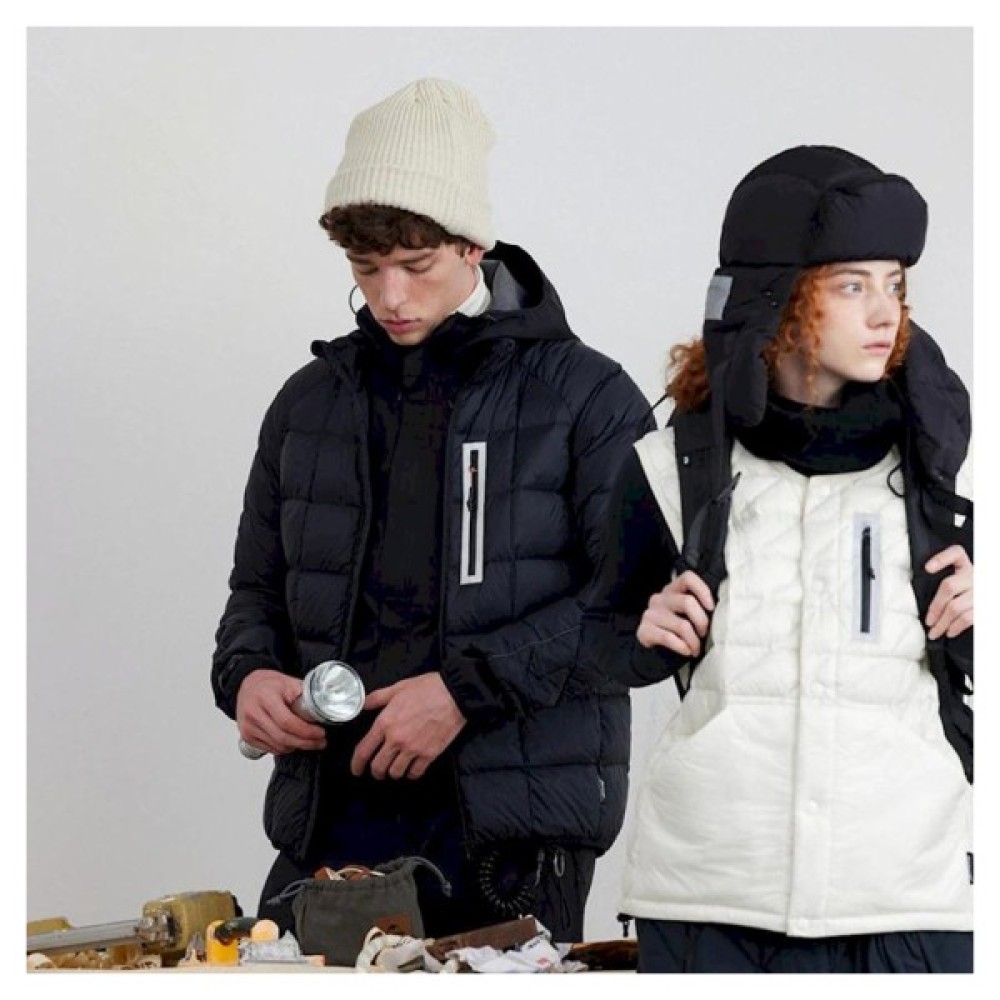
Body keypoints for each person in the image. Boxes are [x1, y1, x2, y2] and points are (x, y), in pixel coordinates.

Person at [210, 77, 654, 942]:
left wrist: (463, 692)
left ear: (473, 245)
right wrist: (248, 677)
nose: (391, 297)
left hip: (507, 839)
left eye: (416, 267)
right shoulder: (309, 403)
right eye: (365, 268)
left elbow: (638, 612)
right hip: (327, 827)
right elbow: (253, 591)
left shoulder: (587, 398)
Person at [583, 145, 972, 973]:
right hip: (710, 901)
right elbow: (598, 642)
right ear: (779, 297)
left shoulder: (952, 478)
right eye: (852, 286)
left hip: (905, 902)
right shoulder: (667, 469)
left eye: (895, 285)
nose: (886, 313)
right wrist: (645, 629)